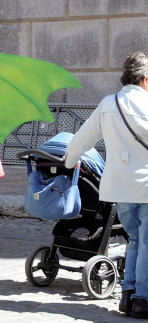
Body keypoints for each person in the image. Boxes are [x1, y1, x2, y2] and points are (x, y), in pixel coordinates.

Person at [65, 52, 148, 319]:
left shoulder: (108, 103)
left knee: (135, 239)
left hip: (120, 186)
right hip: (146, 184)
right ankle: (142, 299)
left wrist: (69, 161)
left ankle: (128, 295)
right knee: (145, 241)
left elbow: (82, 138)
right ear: (145, 79)